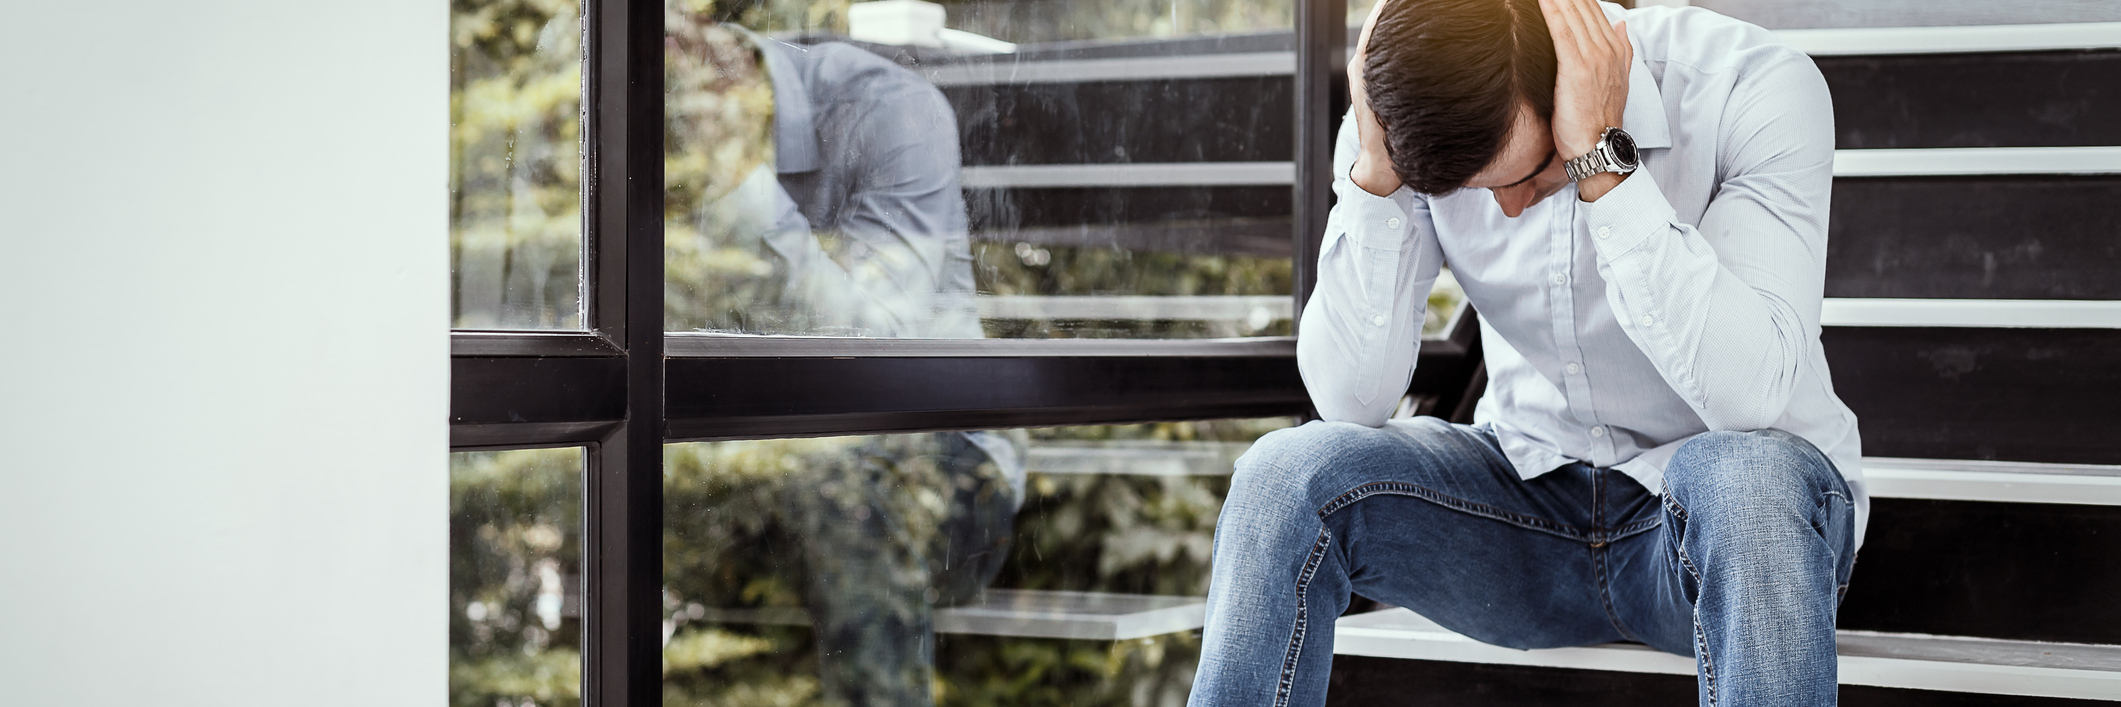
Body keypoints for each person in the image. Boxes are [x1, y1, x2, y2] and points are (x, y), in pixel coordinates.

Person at [1190, 0, 1862, 704]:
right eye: (1474, 191)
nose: (1507, 209)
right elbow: (1348, 399)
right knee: (1279, 476)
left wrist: (1601, 164)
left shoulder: (1748, 85)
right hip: (1523, 511)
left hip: (1725, 538)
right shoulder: (1411, 116)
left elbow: (1746, 396)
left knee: (1743, 477)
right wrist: (1372, 173)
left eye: (1534, 170)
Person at [664, 13, 1025, 706]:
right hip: (760, 457)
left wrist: (737, 184)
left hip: (940, 453)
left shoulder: (885, 110)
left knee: (842, 477)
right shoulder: (633, 144)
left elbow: (875, 353)